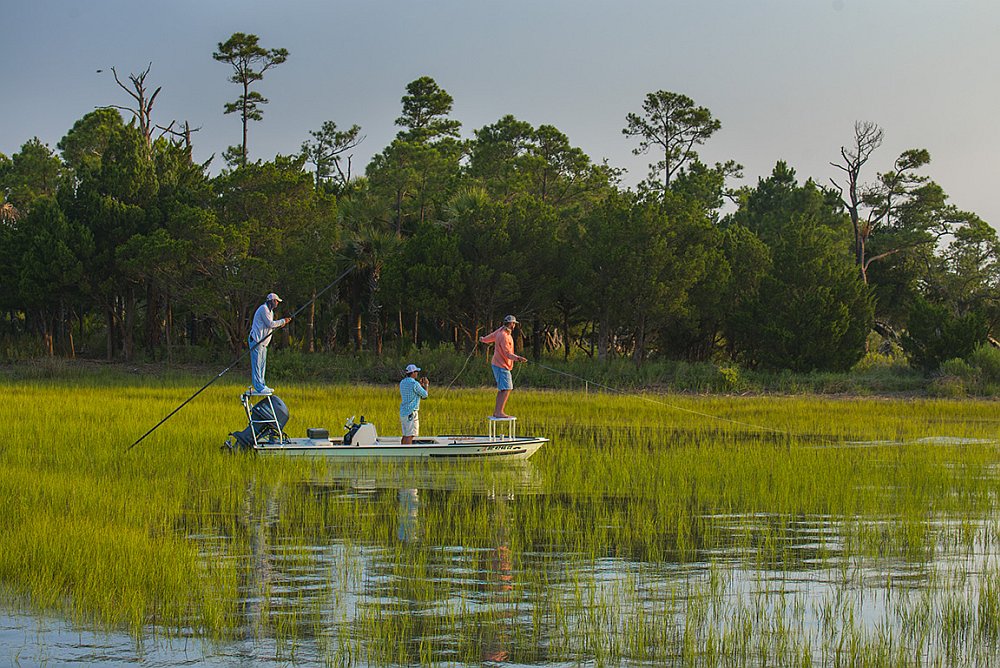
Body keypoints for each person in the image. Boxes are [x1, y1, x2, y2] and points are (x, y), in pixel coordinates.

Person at [479, 315, 527, 418]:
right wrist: (518, 358)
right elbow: (507, 353)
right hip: (501, 365)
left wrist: (483, 339)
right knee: (507, 388)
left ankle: (498, 411)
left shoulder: (501, 331)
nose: (514, 325)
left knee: (504, 389)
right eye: (513, 323)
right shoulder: (504, 336)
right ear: (510, 324)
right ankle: (499, 412)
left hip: (500, 364)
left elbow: (491, 336)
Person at [248, 292, 292, 394]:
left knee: (262, 364)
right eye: (276, 301)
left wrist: (281, 323)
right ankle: (258, 387)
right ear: (271, 301)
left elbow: (269, 326)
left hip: (263, 343)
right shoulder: (263, 309)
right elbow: (270, 324)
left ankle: (262, 385)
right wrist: (282, 321)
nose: (277, 303)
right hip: (256, 341)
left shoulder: (270, 312)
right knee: (257, 365)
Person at [399, 363, 429, 445]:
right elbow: (425, 395)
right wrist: (426, 385)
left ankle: (402, 453)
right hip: (411, 413)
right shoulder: (415, 384)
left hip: (403, 413)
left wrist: (420, 386)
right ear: (412, 373)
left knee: (405, 435)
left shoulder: (402, 382)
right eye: (416, 371)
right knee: (410, 436)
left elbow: (417, 394)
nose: (417, 373)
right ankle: (408, 454)